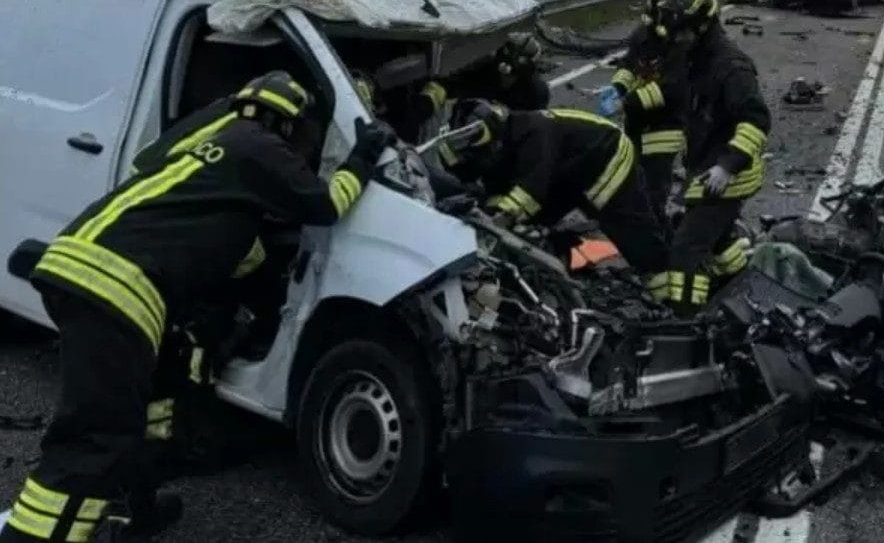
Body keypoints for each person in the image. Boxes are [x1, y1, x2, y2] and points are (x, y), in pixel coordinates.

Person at [0, 72, 394, 543]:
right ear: (287, 124)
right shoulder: (261, 147)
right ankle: (32, 535)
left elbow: (161, 172)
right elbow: (327, 205)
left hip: (78, 261)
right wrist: (363, 154)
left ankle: (135, 511)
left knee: (144, 409)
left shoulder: (208, 145)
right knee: (94, 439)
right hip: (117, 287)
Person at [645, 0, 771, 314]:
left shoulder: (731, 68)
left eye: (682, 33)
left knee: (686, 250)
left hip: (727, 176)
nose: (676, 39)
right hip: (704, 165)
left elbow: (756, 120)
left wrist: (728, 165)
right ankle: (741, 287)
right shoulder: (695, 58)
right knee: (717, 240)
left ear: (702, 27)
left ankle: (686, 319)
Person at [438, 100, 669, 279]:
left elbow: (529, 192)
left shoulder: (533, 133)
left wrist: (493, 224)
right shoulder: (502, 148)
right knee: (536, 222)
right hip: (568, 172)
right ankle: (555, 261)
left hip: (605, 156)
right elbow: (495, 193)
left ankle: (667, 288)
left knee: (629, 231)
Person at [608, 0, 688, 223]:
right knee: (631, 175)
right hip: (637, 120)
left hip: (667, 123)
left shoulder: (684, 43)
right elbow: (630, 64)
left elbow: (672, 89)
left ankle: (656, 233)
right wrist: (618, 87)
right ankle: (636, 222)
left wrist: (627, 102)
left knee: (655, 184)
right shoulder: (644, 34)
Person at [410, 32, 550, 141]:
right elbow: (451, 84)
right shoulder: (483, 69)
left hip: (501, 142)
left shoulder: (536, 92)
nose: (505, 72)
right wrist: (429, 100)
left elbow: (532, 127)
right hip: (463, 129)